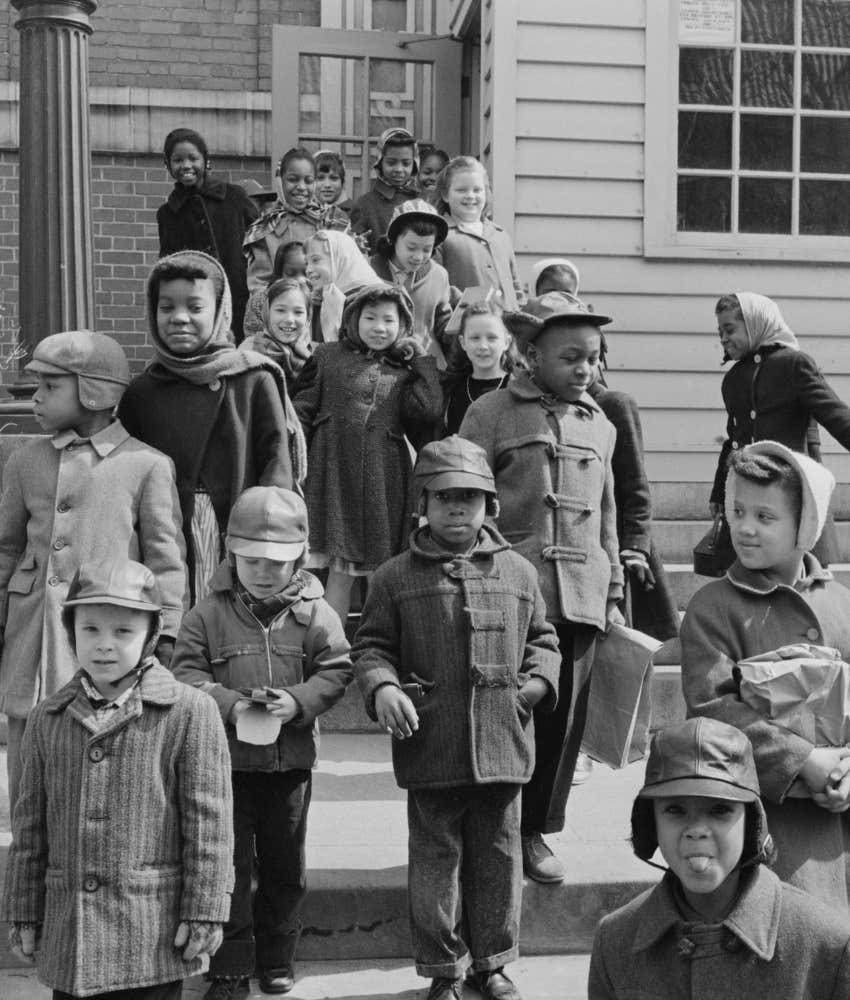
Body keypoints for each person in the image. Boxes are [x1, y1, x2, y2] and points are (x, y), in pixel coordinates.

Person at [353, 436, 561, 1000]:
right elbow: (370, 647)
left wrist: (536, 685)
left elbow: (544, 639)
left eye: (469, 496)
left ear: (490, 504)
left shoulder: (518, 571)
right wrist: (383, 688)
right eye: (443, 496)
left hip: (503, 740)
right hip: (431, 743)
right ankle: (443, 969)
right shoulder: (394, 577)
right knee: (435, 864)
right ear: (423, 502)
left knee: (498, 859)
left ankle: (491, 963)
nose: (455, 508)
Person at [1, 558, 234, 1000]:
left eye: (122, 632)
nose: (104, 645)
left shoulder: (188, 712)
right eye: (90, 630)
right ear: (71, 631)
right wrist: (24, 911)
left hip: (152, 933)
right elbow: (29, 827)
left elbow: (210, 826)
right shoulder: (47, 718)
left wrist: (206, 910)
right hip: (72, 938)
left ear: (149, 635)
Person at [460, 291, 623, 884]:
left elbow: (607, 515)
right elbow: (465, 499)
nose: (586, 369)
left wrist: (613, 586)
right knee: (504, 713)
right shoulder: (491, 413)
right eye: (571, 357)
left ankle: (534, 832)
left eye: (594, 358)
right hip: (509, 591)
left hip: (580, 589)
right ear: (530, 356)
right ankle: (489, 829)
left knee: (562, 723)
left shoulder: (601, 425)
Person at [172, 487, 352, 1000]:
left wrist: (298, 701)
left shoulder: (317, 615)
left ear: (300, 556)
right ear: (231, 552)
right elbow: (185, 670)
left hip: (289, 766)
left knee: (285, 865)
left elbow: (337, 668)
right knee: (227, 867)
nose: (265, 570)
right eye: (252, 559)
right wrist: (228, 704)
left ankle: (277, 958)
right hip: (224, 768)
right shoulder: (206, 613)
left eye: (278, 561)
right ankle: (229, 967)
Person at [0, 330, 187, 810]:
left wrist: (163, 634)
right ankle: (28, 842)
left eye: (50, 387)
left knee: (98, 740)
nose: (37, 399)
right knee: (27, 731)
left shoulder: (146, 465)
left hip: (109, 635)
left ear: (94, 390)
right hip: (33, 631)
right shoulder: (25, 461)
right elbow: (5, 548)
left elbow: (166, 560)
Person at [681, 440, 850, 912]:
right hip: (763, 820)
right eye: (737, 511)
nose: (745, 528)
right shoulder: (715, 607)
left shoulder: (841, 604)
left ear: (807, 526)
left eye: (765, 516)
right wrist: (804, 760)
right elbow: (712, 708)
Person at [589, 716, 850, 999]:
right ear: (650, 825)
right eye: (675, 810)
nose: (697, 831)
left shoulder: (827, 944)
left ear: (752, 823)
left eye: (719, 810)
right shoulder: (615, 940)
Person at [118, 250, 302, 606]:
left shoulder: (251, 377)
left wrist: (271, 534)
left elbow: (277, 464)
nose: (179, 318)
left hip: (238, 528)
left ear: (220, 311)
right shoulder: (143, 392)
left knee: (231, 620)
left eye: (195, 307)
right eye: (166, 307)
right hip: (166, 533)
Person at [292, 284, 442, 623]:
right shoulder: (327, 357)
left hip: (383, 480)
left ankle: (377, 649)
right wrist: (297, 462)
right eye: (370, 318)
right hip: (333, 472)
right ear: (352, 321)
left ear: (403, 326)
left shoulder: (403, 370)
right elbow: (301, 408)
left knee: (381, 570)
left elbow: (429, 409)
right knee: (339, 572)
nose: (379, 327)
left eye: (389, 320)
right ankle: (331, 651)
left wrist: (421, 359)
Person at [711, 292, 850, 567]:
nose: (724, 339)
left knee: (792, 571)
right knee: (748, 569)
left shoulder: (794, 364)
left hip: (785, 490)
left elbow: (835, 414)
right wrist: (718, 491)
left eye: (730, 329)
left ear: (755, 324)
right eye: (720, 332)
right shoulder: (733, 379)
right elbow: (734, 440)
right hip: (747, 489)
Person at [157, 127, 259, 343]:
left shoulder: (234, 197)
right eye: (178, 160)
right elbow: (168, 262)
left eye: (193, 158)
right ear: (168, 165)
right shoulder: (167, 214)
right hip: (195, 306)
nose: (186, 165)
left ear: (206, 161)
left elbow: (260, 241)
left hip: (240, 298)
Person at [243, 146, 348, 293]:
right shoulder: (264, 228)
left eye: (308, 180)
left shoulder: (331, 221)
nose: (301, 187)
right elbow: (258, 285)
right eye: (293, 180)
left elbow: (344, 274)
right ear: (280, 181)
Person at [432, 156, 525, 311]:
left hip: (506, 328)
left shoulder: (500, 235)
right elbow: (436, 289)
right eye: (461, 190)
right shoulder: (440, 235)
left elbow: (515, 287)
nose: (470, 195)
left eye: (477, 190)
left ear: (486, 193)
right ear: (445, 195)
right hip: (467, 328)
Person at [370, 198, 452, 367]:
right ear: (393, 239)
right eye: (411, 247)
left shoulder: (438, 275)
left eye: (427, 249)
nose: (418, 257)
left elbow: (442, 322)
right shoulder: (368, 271)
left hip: (428, 365)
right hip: (378, 366)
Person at [441, 299, 521, 436]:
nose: (483, 346)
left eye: (492, 338)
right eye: (475, 338)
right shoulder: (452, 390)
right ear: (463, 342)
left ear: (506, 342)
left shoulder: (519, 388)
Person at [302, 228, 381, 342]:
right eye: (306, 263)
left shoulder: (372, 298)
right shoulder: (320, 300)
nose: (308, 270)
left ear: (340, 258)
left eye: (316, 260)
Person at [349, 127, 420, 254]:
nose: (399, 169)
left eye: (406, 163)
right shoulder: (364, 205)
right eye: (391, 163)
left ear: (415, 164)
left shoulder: (422, 201)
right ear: (380, 162)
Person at [240, 277, 314, 391]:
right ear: (267, 313)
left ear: (308, 318)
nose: (289, 319)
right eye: (280, 310)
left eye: (298, 312)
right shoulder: (249, 352)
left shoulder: (315, 354)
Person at [313, 150, 352, 216]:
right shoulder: (300, 214)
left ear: (342, 182)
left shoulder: (357, 214)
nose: (327, 185)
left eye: (334, 178)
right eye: (320, 178)